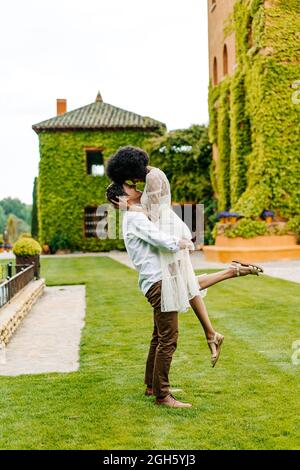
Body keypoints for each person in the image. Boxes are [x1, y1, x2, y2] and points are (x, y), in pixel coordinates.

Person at [106, 182, 262, 408]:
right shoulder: (134, 219)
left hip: (159, 281)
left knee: (159, 336)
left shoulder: (137, 216)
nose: (137, 188)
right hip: (159, 284)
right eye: (130, 187)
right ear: (121, 200)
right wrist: (182, 243)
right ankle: (163, 396)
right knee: (168, 339)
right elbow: (159, 239)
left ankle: (153, 387)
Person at [106, 147, 263, 366]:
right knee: (184, 283)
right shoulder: (149, 176)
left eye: (129, 180)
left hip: (168, 230)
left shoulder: (153, 177)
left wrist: (129, 208)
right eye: (128, 183)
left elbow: (151, 213)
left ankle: (212, 328)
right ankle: (215, 319)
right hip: (167, 230)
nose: (132, 184)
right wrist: (129, 208)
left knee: (183, 283)